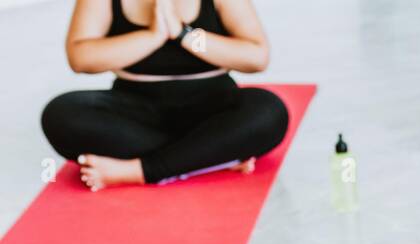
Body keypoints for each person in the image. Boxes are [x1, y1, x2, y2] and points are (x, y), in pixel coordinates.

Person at [41, 0, 288, 190]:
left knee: (268, 110)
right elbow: (82, 58)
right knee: (61, 114)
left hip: (210, 109)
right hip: (137, 111)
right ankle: (210, 157)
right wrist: (152, 36)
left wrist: (183, 34)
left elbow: (256, 57)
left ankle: (139, 170)